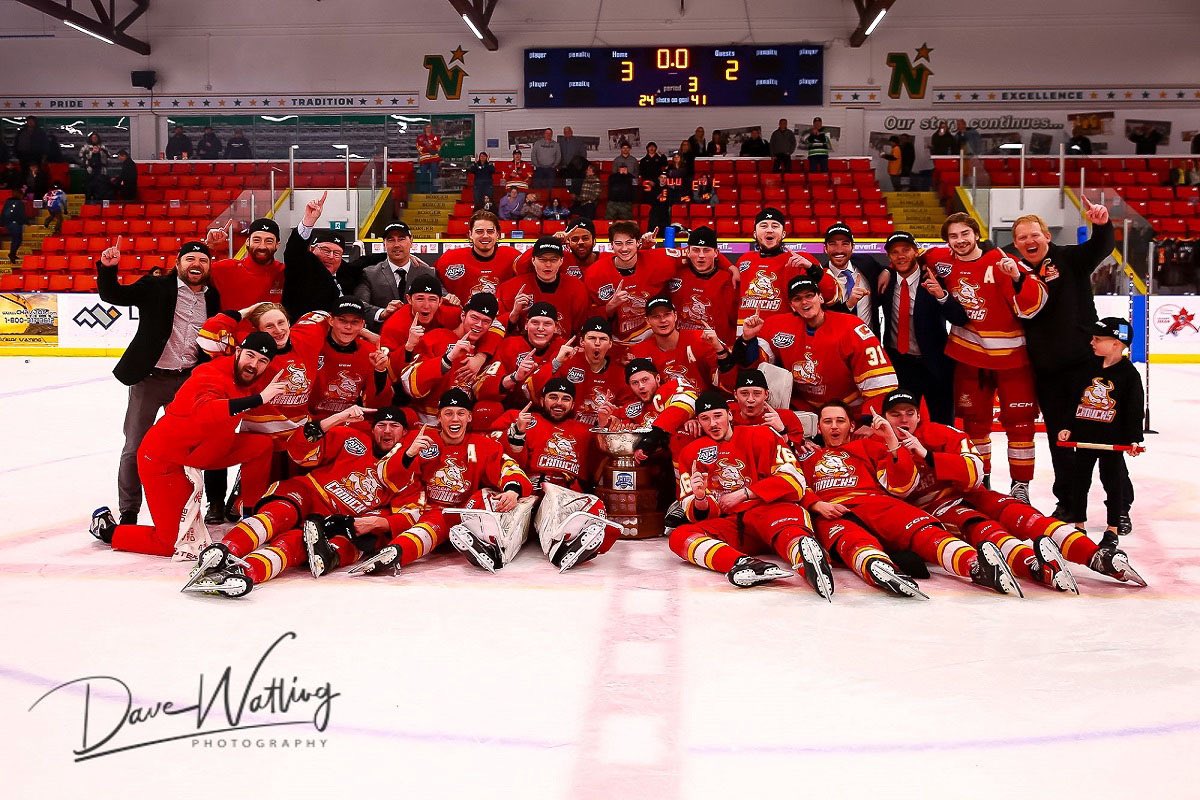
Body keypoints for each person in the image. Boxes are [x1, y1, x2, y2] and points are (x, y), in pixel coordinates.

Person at [885, 387, 1145, 589]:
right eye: (895, 414)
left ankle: (1095, 555)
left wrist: (928, 455)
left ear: (919, 415)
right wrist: (900, 451)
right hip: (937, 510)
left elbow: (975, 472)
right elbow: (899, 491)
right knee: (985, 529)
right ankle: (1035, 567)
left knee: (1020, 513)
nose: (903, 419)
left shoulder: (944, 433)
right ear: (884, 418)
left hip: (973, 494)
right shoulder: (877, 447)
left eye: (909, 412)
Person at [89, 332, 289, 560]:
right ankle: (109, 530)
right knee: (171, 543)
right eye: (250, 356)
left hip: (204, 452)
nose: (253, 365)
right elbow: (206, 411)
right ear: (237, 352)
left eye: (262, 361)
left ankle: (251, 515)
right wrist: (260, 399)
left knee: (261, 445)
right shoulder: (209, 373)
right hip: (164, 461)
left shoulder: (254, 377)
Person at [798, 400, 1022, 596]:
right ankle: (879, 567)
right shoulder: (809, 459)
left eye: (840, 421)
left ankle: (975, 565)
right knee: (848, 536)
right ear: (819, 427)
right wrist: (816, 504)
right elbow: (798, 488)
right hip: (834, 510)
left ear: (852, 425)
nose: (834, 426)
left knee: (919, 527)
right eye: (828, 422)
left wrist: (891, 441)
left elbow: (900, 486)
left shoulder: (868, 446)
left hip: (877, 503)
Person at [183, 406, 408, 596]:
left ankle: (245, 573)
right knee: (279, 513)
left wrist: (365, 525)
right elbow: (298, 450)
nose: (386, 431)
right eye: (381, 425)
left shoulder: (407, 470)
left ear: (405, 433)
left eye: (394, 426)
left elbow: (400, 514)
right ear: (372, 428)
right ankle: (223, 551)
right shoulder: (353, 439)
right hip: (307, 493)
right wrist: (337, 418)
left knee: (295, 544)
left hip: (331, 521)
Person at [95, 239, 223, 526]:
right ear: (178, 263)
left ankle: (188, 509)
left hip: (188, 383)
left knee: (190, 447)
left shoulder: (212, 297)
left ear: (209, 267)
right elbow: (113, 294)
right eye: (190, 259)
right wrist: (108, 267)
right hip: (149, 380)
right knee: (135, 446)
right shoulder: (155, 287)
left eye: (202, 260)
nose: (196, 264)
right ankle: (129, 511)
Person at [349, 388, 534, 576]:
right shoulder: (419, 439)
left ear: (469, 417)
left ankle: (490, 543)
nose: (455, 419)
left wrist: (513, 490)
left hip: (466, 510)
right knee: (432, 523)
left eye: (461, 413)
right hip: (429, 512)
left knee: (489, 496)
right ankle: (395, 552)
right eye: (448, 413)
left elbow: (508, 467)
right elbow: (384, 473)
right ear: (439, 418)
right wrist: (408, 454)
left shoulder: (484, 445)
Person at [928, 212, 1047, 501]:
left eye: (965, 234)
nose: (960, 241)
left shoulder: (1002, 263)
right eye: (953, 236)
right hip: (969, 360)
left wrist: (1018, 277)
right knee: (974, 425)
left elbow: (1033, 306)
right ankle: (981, 480)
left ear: (976, 235)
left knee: (1020, 424)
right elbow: (921, 256)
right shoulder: (942, 261)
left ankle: (1020, 486)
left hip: (1012, 361)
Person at [669, 390, 834, 594]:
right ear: (698, 421)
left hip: (768, 513)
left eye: (718, 415)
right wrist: (701, 498)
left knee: (788, 524)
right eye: (705, 418)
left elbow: (795, 481)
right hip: (733, 525)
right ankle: (743, 563)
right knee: (679, 536)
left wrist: (746, 493)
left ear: (730, 414)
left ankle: (805, 558)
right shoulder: (691, 453)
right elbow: (693, 510)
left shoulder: (762, 435)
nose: (712, 423)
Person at [1015, 199, 1114, 518]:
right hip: (1047, 372)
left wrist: (1101, 225)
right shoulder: (1017, 274)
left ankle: (1119, 506)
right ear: (1016, 244)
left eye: (1034, 235)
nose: (1030, 241)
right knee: (1062, 438)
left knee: (1101, 438)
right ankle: (1069, 502)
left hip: (1084, 365)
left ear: (1047, 236)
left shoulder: (1072, 258)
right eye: (1022, 238)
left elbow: (1101, 246)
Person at [497, 379, 620, 571]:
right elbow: (510, 462)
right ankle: (495, 542)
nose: (559, 403)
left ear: (572, 404)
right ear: (542, 399)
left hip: (566, 495)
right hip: (533, 493)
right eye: (553, 397)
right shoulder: (528, 422)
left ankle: (569, 544)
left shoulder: (584, 431)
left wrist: (603, 426)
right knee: (505, 504)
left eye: (565, 399)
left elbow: (602, 458)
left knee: (590, 504)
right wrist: (517, 434)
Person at [745, 274, 898, 415]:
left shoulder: (851, 326)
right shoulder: (776, 325)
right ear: (792, 305)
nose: (804, 302)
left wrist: (871, 419)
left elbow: (881, 382)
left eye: (809, 296)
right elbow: (755, 367)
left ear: (821, 298)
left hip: (850, 409)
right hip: (804, 408)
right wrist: (748, 339)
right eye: (797, 299)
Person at [1060, 318, 1146, 543]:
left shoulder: (1129, 375)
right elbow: (1074, 399)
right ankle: (1078, 524)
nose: (1092, 342)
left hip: (1111, 440)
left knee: (1113, 481)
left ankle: (1113, 528)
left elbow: (1134, 411)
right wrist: (1067, 425)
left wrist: (1134, 439)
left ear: (1117, 343)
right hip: (1085, 437)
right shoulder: (1087, 367)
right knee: (1080, 481)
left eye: (1098, 339)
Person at [877, 231, 966, 426]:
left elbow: (959, 318)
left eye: (906, 250)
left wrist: (942, 295)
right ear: (888, 257)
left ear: (916, 251)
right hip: (900, 364)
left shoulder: (936, 278)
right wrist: (887, 270)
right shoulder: (886, 280)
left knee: (942, 421)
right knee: (903, 423)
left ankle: (942, 456)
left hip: (935, 363)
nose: (901, 256)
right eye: (894, 252)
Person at [397, 292, 500, 423]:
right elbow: (408, 383)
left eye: (486, 321)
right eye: (474, 318)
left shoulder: (486, 348)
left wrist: (481, 357)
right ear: (463, 315)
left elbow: (500, 327)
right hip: (426, 422)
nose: (479, 325)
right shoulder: (436, 337)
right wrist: (447, 359)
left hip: (463, 425)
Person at [734, 207, 837, 328]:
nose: (769, 230)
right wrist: (729, 266)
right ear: (755, 233)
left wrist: (811, 268)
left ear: (783, 234)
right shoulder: (744, 260)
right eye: (763, 226)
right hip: (745, 331)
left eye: (775, 226)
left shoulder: (800, 259)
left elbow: (831, 296)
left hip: (783, 333)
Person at [583, 220, 677, 344]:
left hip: (653, 337)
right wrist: (610, 306)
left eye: (629, 243)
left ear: (638, 243)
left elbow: (690, 255)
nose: (624, 248)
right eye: (618, 243)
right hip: (617, 341)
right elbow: (589, 315)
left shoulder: (658, 261)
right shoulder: (594, 274)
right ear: (611, 244)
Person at [530, 316, 627, 427]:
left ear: (610, 344)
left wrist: (617, 416)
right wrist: (556, 362)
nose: (597, 343)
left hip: (600, 431)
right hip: (565, 428)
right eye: (591, 338)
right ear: (582, 341)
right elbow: (532, 391)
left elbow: (628, 406)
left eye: (603, 339)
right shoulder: (567, 360)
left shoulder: (620, 373)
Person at [631, 296, 735, 392]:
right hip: (666, 407)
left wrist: (718, 348)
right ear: (648, 321)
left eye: (667, 314)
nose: (662, 320)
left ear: (675, 316)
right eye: (656, 316)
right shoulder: (639, 352)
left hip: (704, 406)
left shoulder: (700, 338)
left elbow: (729, 383)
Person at [350, 221, 436, 332]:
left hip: (421, 337)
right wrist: (382, 312)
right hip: (382, 337)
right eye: (391, 240)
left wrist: (450, 298)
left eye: (401, 239)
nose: (396, 244)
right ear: (384, 244)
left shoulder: (427, 272)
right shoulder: (369, 273)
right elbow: (359, 304)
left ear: (411, 241)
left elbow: (441, 298)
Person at [497, 236, 590, 334]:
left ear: (561, 261)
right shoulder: (510, 288)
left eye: (553, 260)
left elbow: (580, 329)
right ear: (533, 260)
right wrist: (514, 314)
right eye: (542, 260)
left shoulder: (577, 288)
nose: (548, 265)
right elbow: (498, 330)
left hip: (563, 346)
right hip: (522, 347)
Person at [283, 191, 348, 319]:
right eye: (325, 250)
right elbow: (294, 251)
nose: (330, 256)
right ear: (312, 249)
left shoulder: (349, 274)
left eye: (337, 253)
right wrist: (309, 221)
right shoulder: (302, 269)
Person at [669, 226, 738, 345]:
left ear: (716, 253)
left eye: (706, 250)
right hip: (681, 348)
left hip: (716, 350)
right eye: (696, 250)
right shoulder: (674, 274)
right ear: (688, 252)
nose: (701, 255)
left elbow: (736, 319)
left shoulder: (729, 280)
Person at [435, 210, 521, 299]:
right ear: (470, 234)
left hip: (502, 312)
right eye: (479, 231)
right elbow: (431, 280)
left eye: (490, 231)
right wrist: (445, 295)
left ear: (498, 235)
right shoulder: (450, 258)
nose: (485, 236)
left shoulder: (513, 257)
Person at [205, 218, 286, 311]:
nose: (262, 246)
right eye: (256, 240)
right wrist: (209, 246)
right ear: (247, 242)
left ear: (277, 244)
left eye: (269, 241)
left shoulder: (284, 272)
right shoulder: (225, 269)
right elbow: (191, 271)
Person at [822, 222, 882, 335]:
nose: (839, 250)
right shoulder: (820, 277)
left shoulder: (867, 263)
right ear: (825, 248)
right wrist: (849, 304)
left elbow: (889, 267)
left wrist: (887, 271)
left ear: (853, 247)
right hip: (837, 344)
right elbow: (822, 317)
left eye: (845, 244)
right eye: (833, 244)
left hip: (869, 343)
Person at [79, 132, 110, 204]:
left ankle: (99, 205)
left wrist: (101, 152)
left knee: (100, 189)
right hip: (89, 170)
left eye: (96, 138)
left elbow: (109, 156)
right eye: (93, 138)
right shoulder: (86, 147)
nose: (94, 139)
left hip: (100, 171)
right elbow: (80, 156)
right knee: (89, 189)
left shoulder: (102, 147)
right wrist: (86, 163)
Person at [558, 126, 588, 195]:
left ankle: (575, 196)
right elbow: (559, 154)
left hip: (575, 168)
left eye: (568, 131)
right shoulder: (561, 142)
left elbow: (583, 154)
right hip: (565, 168)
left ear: (571, 132)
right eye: (565, 132)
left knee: (575, 184)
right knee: (567, 183)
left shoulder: (578, 141)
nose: (567, 133)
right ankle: (567, 195)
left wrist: (580, 165)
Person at [2, 186, 25, 264]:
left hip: (11, 223)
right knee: (17, 239)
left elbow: (4, 212)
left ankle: (13, 254)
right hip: (15, 224)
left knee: (16, 239)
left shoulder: (9, 201)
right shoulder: (18, 202)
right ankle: (12, 254)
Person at [416, 124, 442, 189]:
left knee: (434, 175)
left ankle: (434, 189)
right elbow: (419, 148)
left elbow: (438, 148)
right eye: (427, 127)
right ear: (424, 128)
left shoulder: (436, 137)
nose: (428, 129)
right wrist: (428, 148)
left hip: (434, 160)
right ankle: (422, 190)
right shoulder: (420, 138)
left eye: (429, 127)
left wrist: (430, 148)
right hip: (424, 160)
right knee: (423, 175)